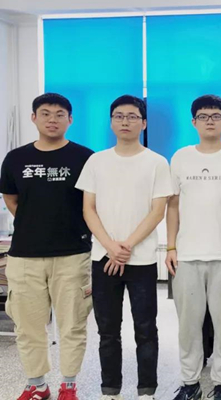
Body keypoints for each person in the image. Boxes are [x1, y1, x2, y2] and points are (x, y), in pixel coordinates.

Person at [75, 95, 173, 400]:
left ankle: (147, 391)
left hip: (141, 260)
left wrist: (126, 246)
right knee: (107, 329)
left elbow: (158, 211)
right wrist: (110, 247)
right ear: (111, 122)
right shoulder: (97, 161)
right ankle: (110, 390)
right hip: (103, 258)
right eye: (119, 116)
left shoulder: (157, 162)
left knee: (146, 328)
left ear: (143, 123)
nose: (125, 121)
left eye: (132, 116)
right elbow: (88, 209)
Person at [0, 93, 94, 400]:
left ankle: (69, 384)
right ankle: (37, 384)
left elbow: (93, 204)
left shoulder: (85, 157)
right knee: (28, 325)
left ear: (70, 119)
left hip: (72, 254)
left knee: (72, 324)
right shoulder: (15, 158)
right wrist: (36, 224)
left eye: (59, 114)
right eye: (45, 113)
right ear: (34, 118)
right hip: (25, 255)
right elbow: (11, 199)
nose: (52, 119)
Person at [167, 95, 221, 400]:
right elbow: (173, 206)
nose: (209, 121)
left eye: (216, 116)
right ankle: (190, 383)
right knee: (188, 326)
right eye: (203, 116)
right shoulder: (181, 157)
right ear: (194, 122)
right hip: (187, 255)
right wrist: (170, 247)